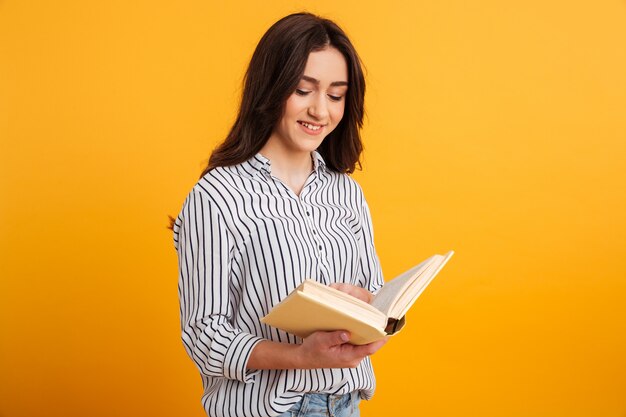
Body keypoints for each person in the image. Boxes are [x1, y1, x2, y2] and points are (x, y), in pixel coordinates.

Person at [172, 12, 387, 417]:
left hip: (346, 406)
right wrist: (301, 356)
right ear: (270, 88)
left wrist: (373, 310)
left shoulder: (348, 193)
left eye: (336, 95)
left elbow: (376, 300)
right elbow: (204, 337)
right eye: (304, 90)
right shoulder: (218, 196)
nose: (320, 111)